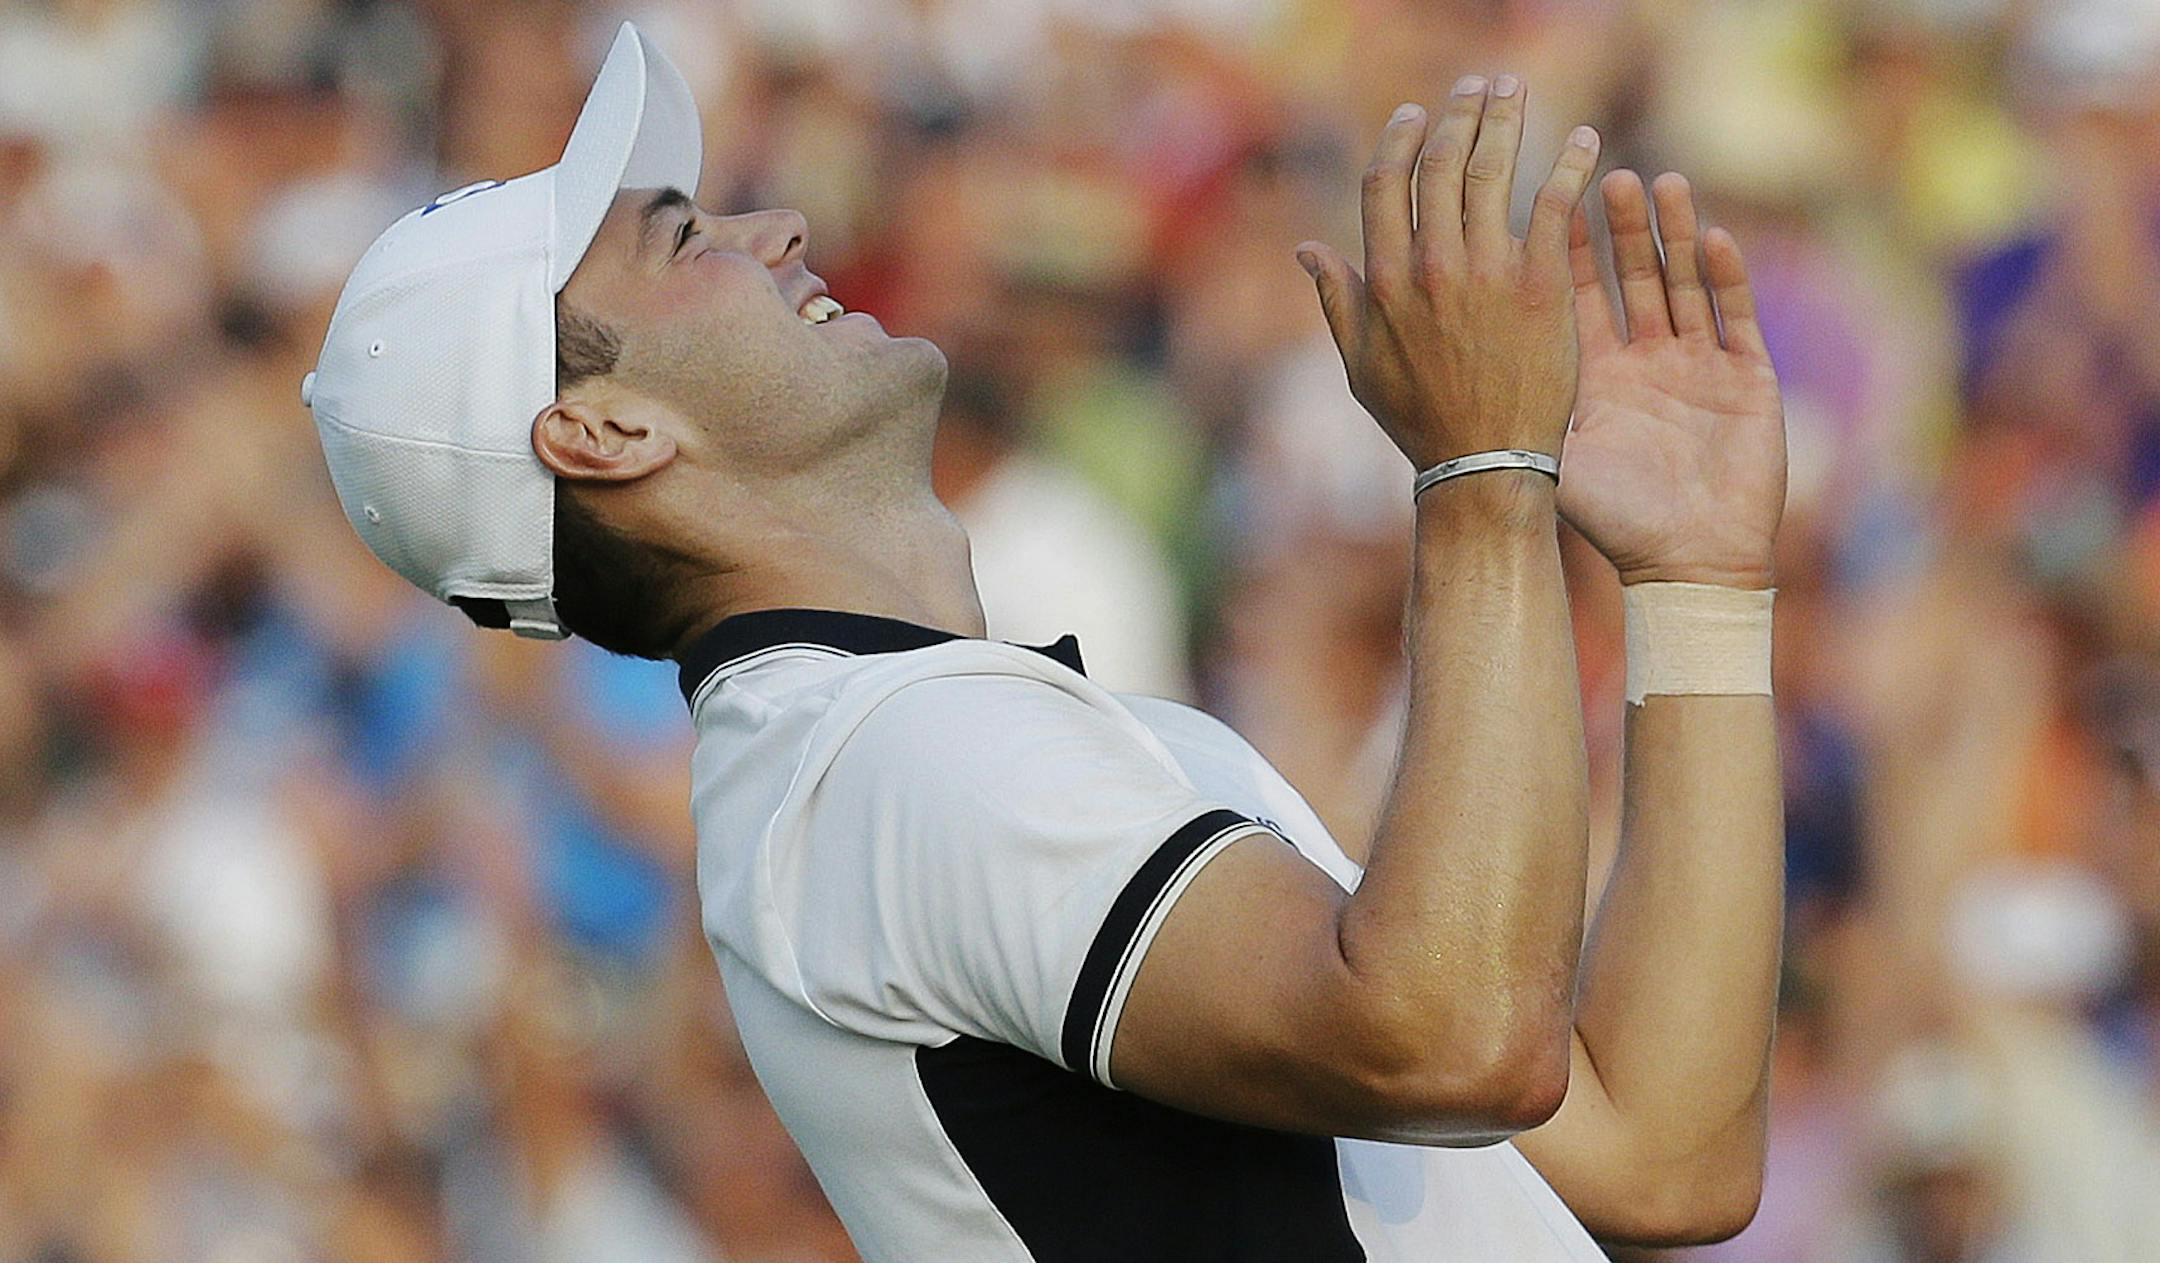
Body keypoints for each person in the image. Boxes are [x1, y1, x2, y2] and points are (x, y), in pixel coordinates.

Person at [303, 24, 1788, 1261]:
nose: (778, 231)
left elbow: (1661, 1159)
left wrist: (1698, 586)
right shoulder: (880, 761)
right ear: (605, 430)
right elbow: (1460, 1035)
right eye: (684, 238)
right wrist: (1480, 472)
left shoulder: (889, 744)